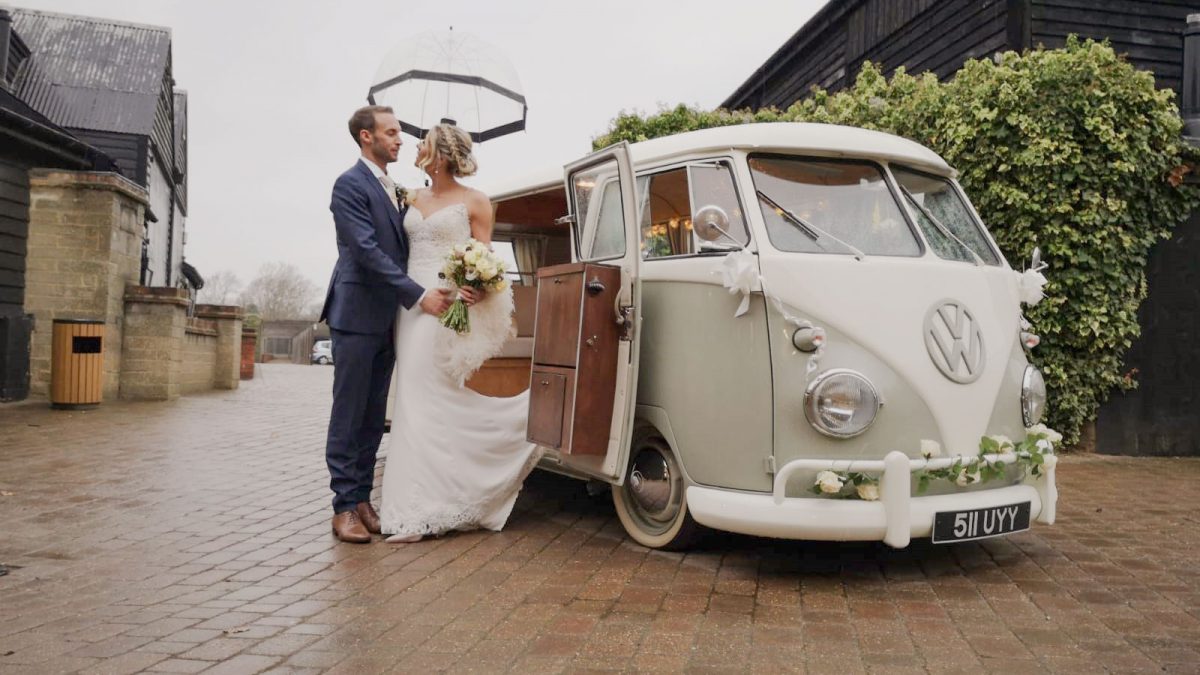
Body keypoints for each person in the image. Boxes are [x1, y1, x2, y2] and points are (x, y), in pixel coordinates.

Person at [379, 122, 542, 543]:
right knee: (417, 399)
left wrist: (474, 285)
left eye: (424, 144)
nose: (416, 148)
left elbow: (486, 258)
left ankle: (415, 511)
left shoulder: (476, 201)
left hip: (447, 306)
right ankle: (427, 501)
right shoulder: (409, 198)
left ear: (442, 154)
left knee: (425, 396)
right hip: (411, 306)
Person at [320, 106, 455, 544]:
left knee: (374, 415)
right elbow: (365, 251)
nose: (400, 140)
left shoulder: (394, 188)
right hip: (356, 315)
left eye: (399, 133)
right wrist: (417, 294)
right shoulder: (349, 185)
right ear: (366, 137)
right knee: (349, 412)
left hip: (388, 320)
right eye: (391, 132)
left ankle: (361, 498)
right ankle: (342, 506)